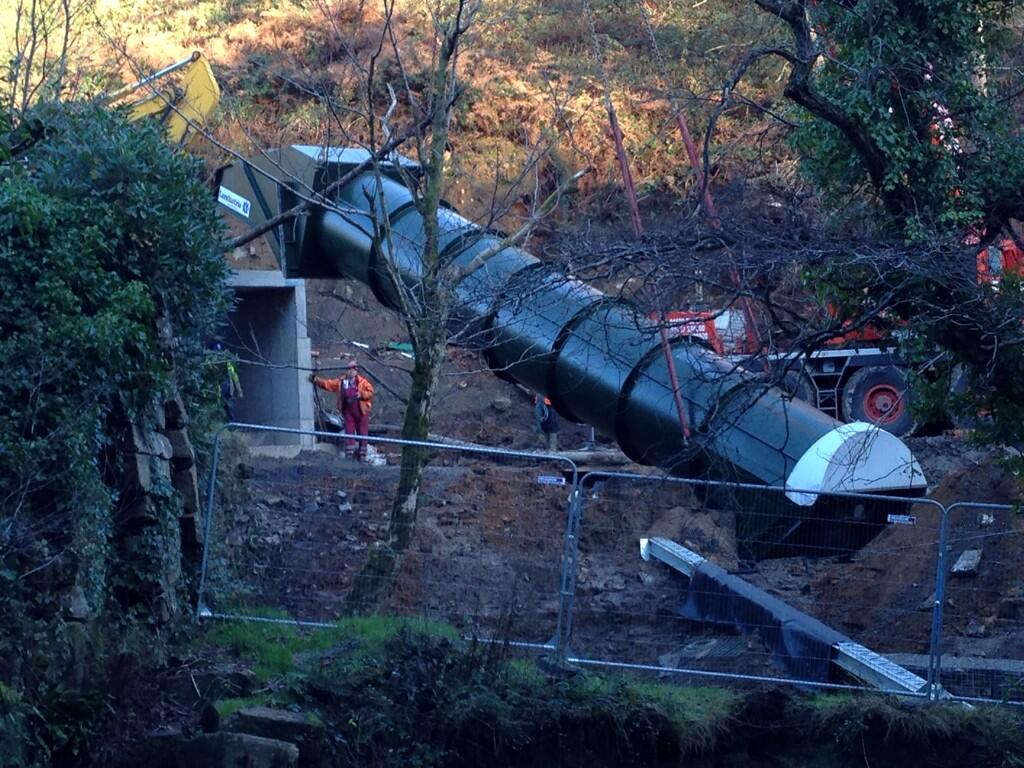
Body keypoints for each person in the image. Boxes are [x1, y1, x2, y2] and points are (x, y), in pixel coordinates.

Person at [310, 360, 375, 460]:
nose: (350, 372)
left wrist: (361, 395)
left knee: (363, 433)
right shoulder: (341, 382)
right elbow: (329, 384)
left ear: (356, 371)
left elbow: (370, 392)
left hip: (361, 412)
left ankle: (362, 455)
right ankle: (349, 454)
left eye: (352, 369)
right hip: (348, 411)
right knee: (349, 432)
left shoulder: (363, 382)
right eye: (348, 369)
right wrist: (317, 380)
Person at [212, 342, 243, 421]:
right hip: (219, 391)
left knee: (230, 408)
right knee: (222, 409)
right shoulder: (212, 364)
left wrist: (239, 391)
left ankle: (233, 425)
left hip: (228, 390)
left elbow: (234, 376)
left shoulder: (227, 364)